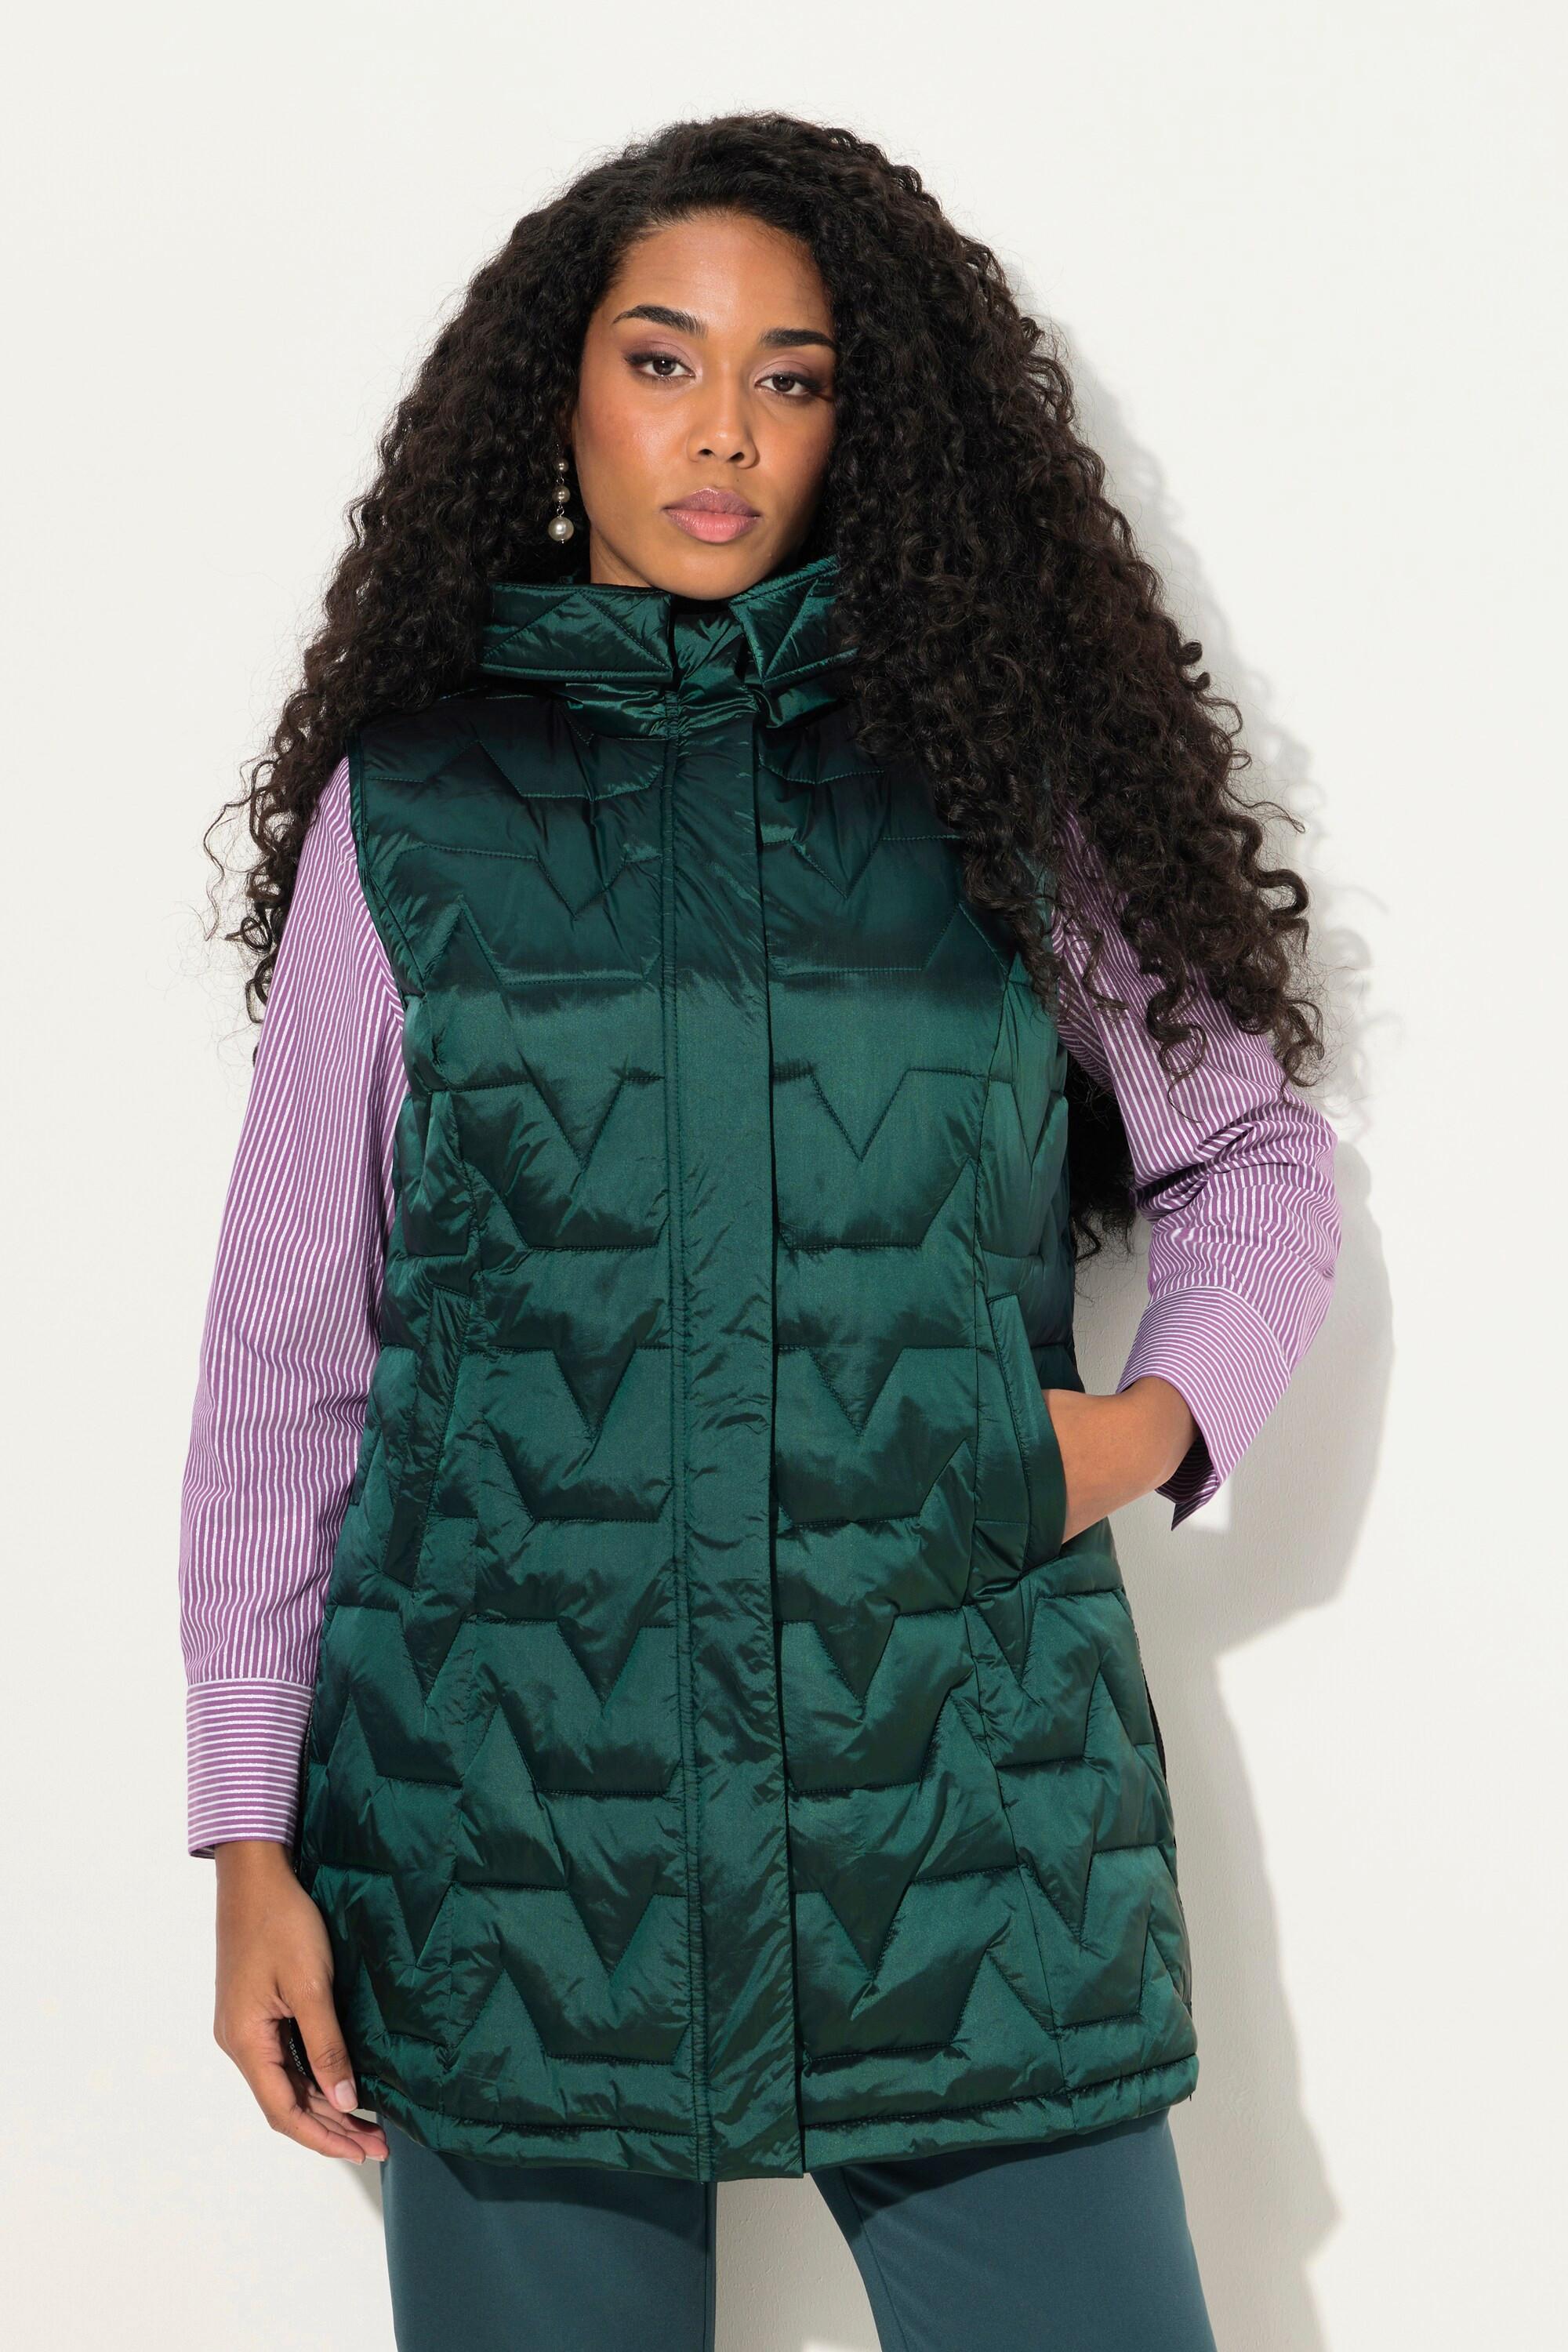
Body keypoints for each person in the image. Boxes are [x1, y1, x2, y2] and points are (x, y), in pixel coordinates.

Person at [181, 111, 1341, 2350]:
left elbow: (1254, 1161)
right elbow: (289, 1350)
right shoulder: (409, 817)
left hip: (967, 1817)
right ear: (558, 399)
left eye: (790, 377)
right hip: (507, 1836)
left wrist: (1131, 1436)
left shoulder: (995, 794)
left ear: (857, 428)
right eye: (664, 360)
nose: (722, 429)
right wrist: (247, 1839)